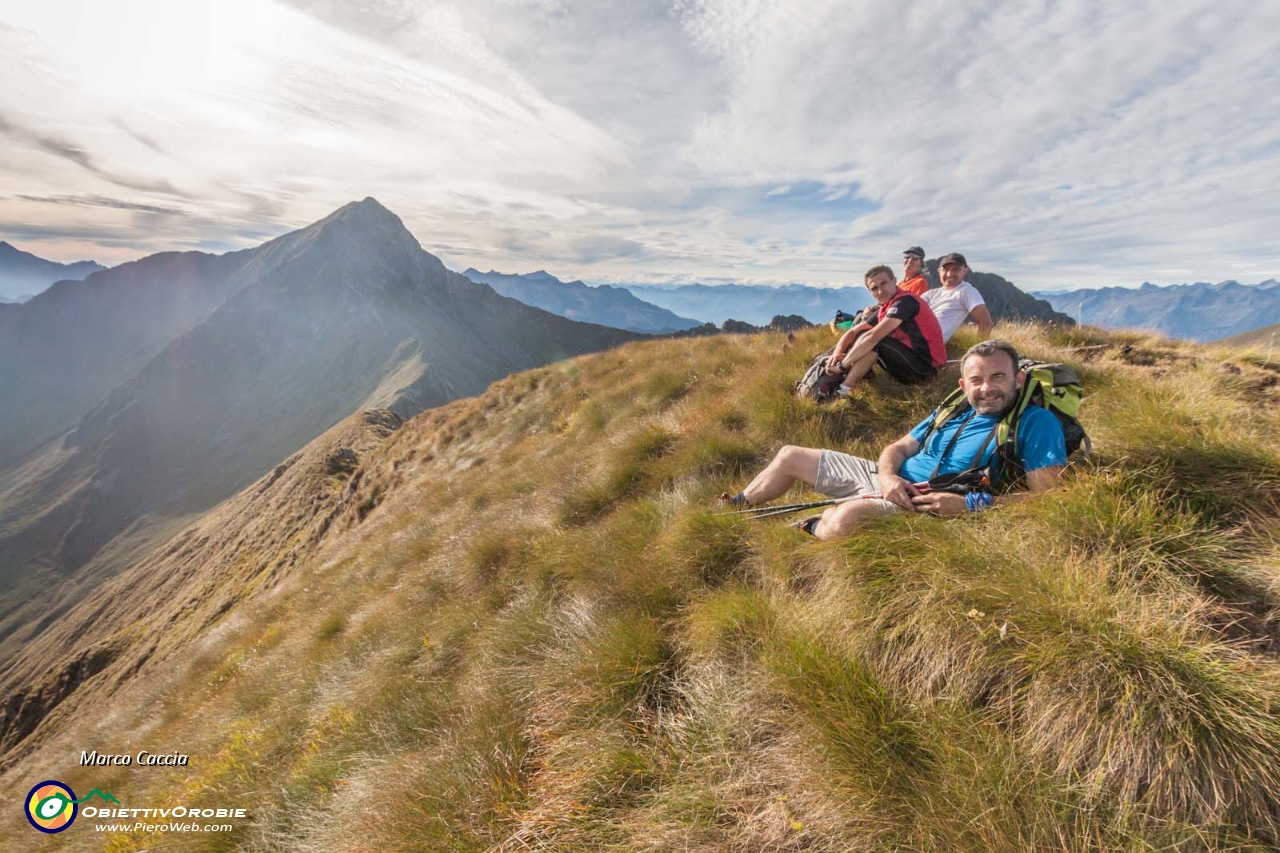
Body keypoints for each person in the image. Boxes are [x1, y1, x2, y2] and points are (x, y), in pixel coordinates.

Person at [731, 340, 1066, 540]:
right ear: (963, 385)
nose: (986, 388)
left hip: (922, 505)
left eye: (998, 377)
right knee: (790, 455)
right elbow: (899, 447)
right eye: (976, 379)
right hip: (889, 482)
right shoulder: (954, 409)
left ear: (1018, 379)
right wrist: (889, 477)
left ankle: (807, 526)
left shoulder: (1036, 423)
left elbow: (1049, 499)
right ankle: (735, 506)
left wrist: (969, 506)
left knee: (846, 520)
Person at [822, 265, 947, 394]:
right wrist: (838, 352)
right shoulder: (885, 307)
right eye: (874, 288)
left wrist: (842, 366)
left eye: (884, 283)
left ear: (894, 281)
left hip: (928, 371)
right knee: (862, 334)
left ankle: (843, 389)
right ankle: (846, 385)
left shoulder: (905, 302)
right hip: (908, 364)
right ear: (870, 292)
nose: (880, 291)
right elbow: (853, 331)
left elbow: (873, 337)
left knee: (877, 341)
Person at [922, 252, 993, 342]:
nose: (949, 274)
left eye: (955, 269)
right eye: (945, 270)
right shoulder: (930, 294)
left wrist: (977, 353)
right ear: (939, 271)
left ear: (965, 271)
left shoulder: (966, 291)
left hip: (926, 344)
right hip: (910, 336)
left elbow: (986, 323)